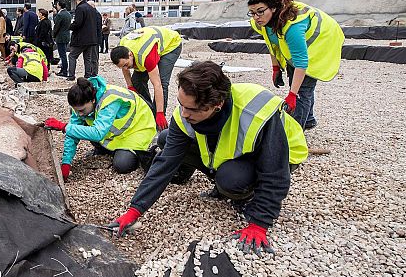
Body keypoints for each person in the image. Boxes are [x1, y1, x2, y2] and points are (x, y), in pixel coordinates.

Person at [107, 62, 308, 255]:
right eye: (181, 104)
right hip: (235, 150)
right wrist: (135, 210)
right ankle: (217, 177)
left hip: (283, 155)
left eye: (192, 109)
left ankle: (245, 193)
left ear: (217, 104)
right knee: (166, 138)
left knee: (230, 179)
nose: (184, 114)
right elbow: (165, 163)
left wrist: (259, 223)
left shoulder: (255, 112)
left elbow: (275, 171)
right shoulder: (186, 113)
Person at [247, 0, 345, 130]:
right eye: (252, 13)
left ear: (273, 8)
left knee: (302, 90)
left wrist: (292, 95)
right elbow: (271, 43)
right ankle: (309, 119)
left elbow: (301, 62)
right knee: (297, 81)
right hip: (300, 45)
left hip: (323, 40)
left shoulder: (292, 27)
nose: (256, 17)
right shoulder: (262, 22)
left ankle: (295, 133)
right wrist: (275, 68)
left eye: (260, 11)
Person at [44, 75, 157, 176]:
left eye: (81, 110)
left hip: (138, 129)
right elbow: (72, 133)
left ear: (92, 100)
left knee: (122, 165)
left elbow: (97, 133)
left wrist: (63, 126)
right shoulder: (80, 104)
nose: (79, 114)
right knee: (82, 128)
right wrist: (66, 162)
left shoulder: (110, 99)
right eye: (76, 110)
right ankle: (107, 149)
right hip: (117, 134)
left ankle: (130, 152)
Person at [110, 26, 183, 130]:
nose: (126, 68)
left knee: (162, 82)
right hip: (148, 45)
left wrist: (160, 113)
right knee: (137, 81)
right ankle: (149, 111)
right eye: (122, 67)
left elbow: (157, 85)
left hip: (171, 45)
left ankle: (158, 120)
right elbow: (125, 68)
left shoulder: (145, 55)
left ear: (130, 54)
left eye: (126, 65)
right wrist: (130, 86)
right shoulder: (122, 49)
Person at [66, 0, 98, 81]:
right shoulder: (91, 8)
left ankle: (71, 75)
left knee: (72, 56)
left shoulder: (80, 8)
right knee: (87, 58)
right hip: (91, 38)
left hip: (81, 38)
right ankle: (88, 75)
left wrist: (70, 27)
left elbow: (78, 23)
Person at [53, 0, 71, 77]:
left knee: (62, 55)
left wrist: (53, 35)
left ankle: (64, 71)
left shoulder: (60, 15)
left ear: (59, 6)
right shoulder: (68, 14)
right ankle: (63, 70)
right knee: (64, 54)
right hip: (66, 36)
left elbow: (56, 25)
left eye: (57, 5)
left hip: (60, 37)